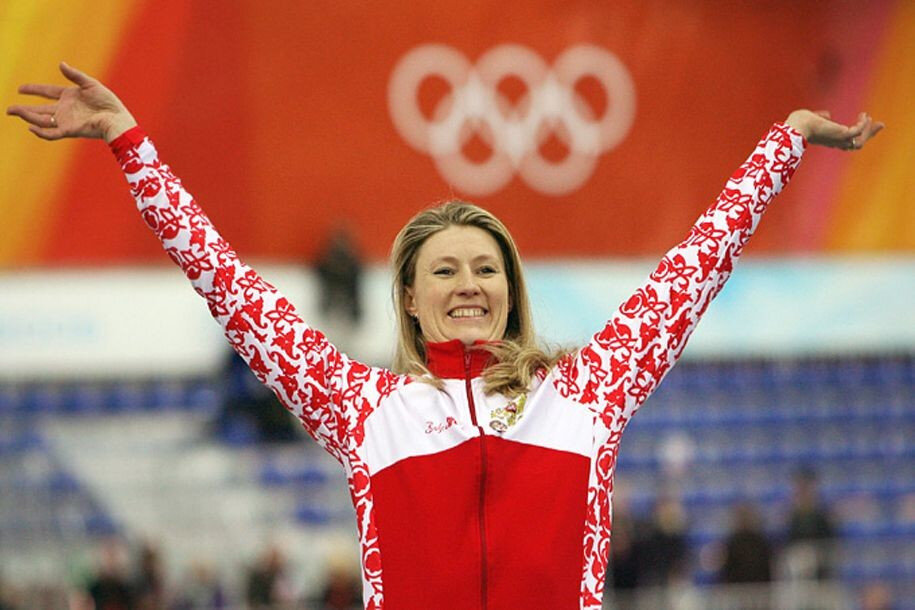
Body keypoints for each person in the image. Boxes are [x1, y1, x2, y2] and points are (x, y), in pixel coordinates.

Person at [7, 63, 883, 610]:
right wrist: (129, 143)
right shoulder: (364, 410)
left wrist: (785, 143)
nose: (469, 284)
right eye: (446, 270)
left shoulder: (586, 393)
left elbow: (693, 268)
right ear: (411, 300)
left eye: (486, 268)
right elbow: (227, 284)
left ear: (510, 289)